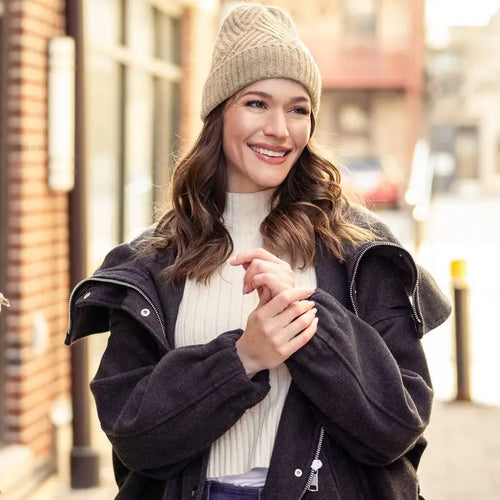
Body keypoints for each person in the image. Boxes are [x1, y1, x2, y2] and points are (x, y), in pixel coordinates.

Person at [65, 4, 451, 499]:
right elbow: (136, 439)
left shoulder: (359, 251)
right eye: (256, 103)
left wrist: (308, 325)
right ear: (219, 112)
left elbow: (397, 426)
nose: (280, 129)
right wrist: (244, 356)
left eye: (298, 109)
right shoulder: (153, 261)